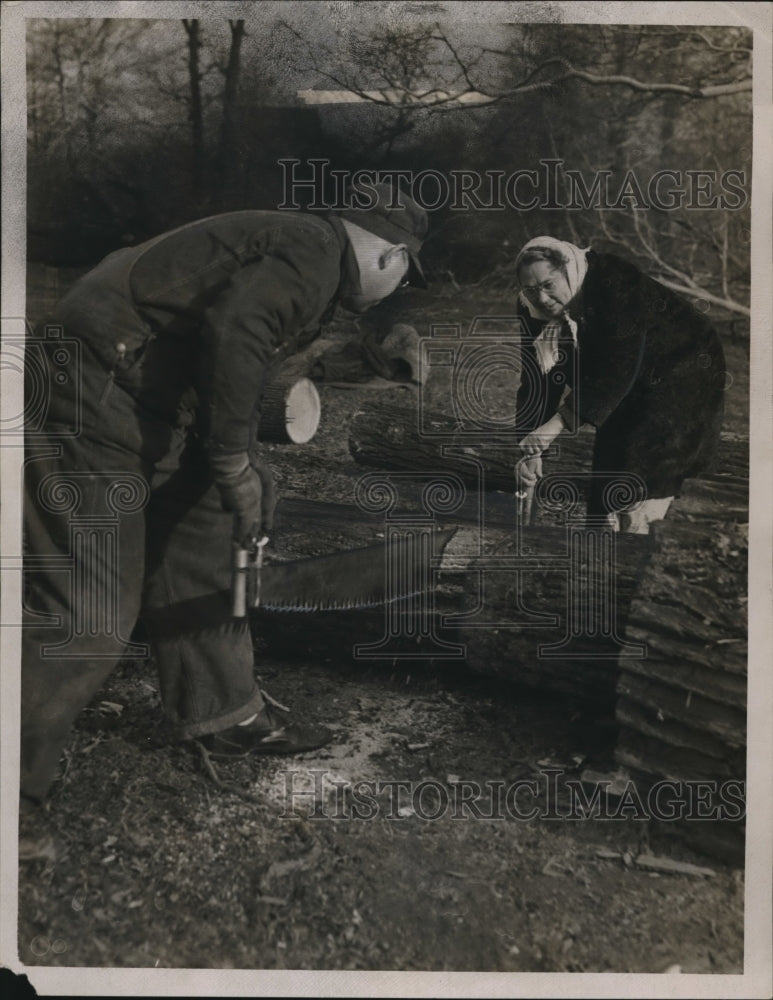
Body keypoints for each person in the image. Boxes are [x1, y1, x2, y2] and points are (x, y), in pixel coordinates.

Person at [21, 183, 428, 805]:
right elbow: (238, 329)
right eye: (404, 278)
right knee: (92, 607)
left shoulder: (298, 250)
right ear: (391, 257)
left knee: (207, 517)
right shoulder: (314, 252)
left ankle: (226, 715)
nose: (396, 292)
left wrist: (246, 467)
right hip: (95, 391)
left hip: (138, 391)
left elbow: (242, 353)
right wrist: (234, 459)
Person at [512, 236, 726, 531]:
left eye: (549, 285)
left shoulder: (613, 281)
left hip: (683, 370)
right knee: (608, 484)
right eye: (531, 290)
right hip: (623, 386)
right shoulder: (531, 309)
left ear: (567, 271)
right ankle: (604, 549)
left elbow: (618, 364)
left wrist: (558, 423)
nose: (542, 298)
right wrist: (530, 451)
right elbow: (536, 380)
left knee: (643, 476)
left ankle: (641, 538)